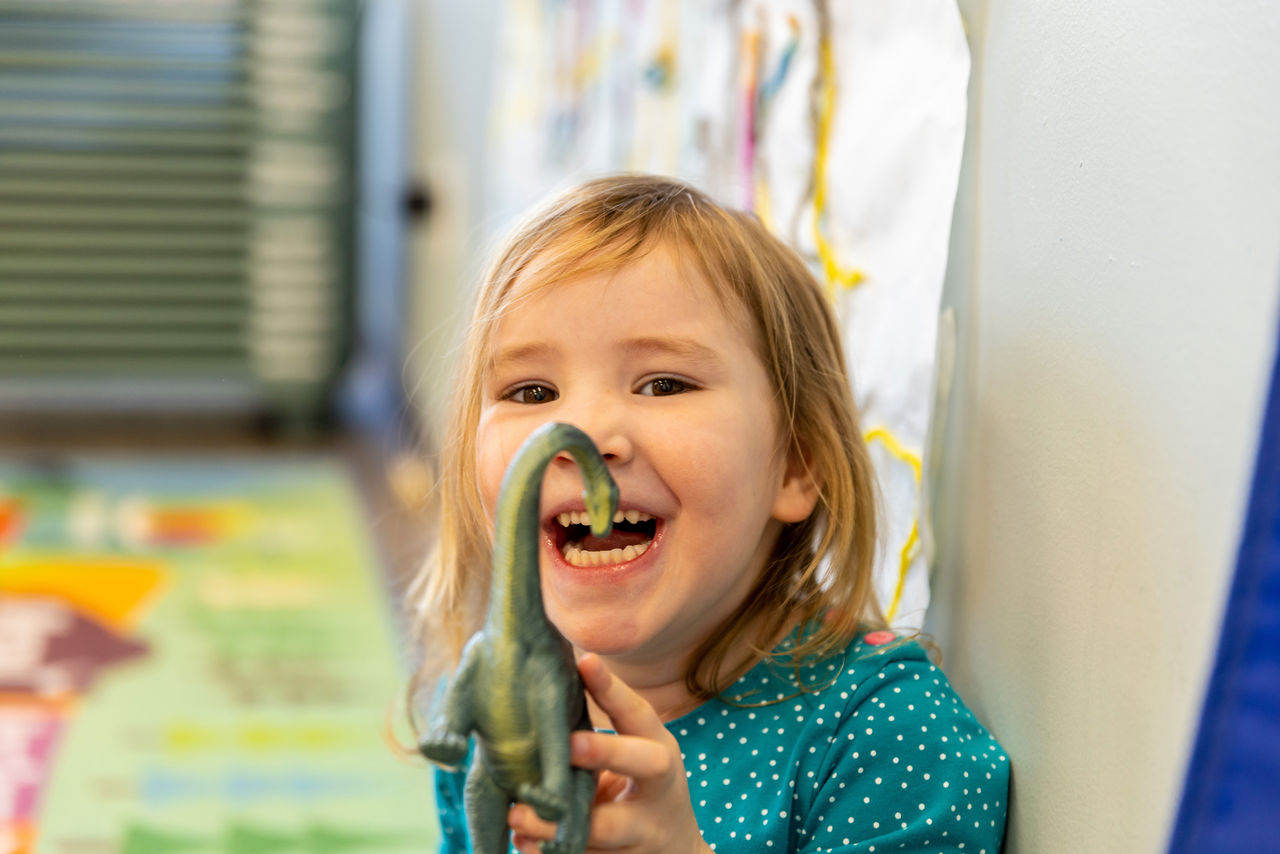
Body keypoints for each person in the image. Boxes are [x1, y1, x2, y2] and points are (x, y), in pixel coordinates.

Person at [408, 174, 1009, 853]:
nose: (582, 431)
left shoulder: (885, 734)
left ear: (796, 463)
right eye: (532, 389)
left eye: (664, 383)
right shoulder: (492, 711)